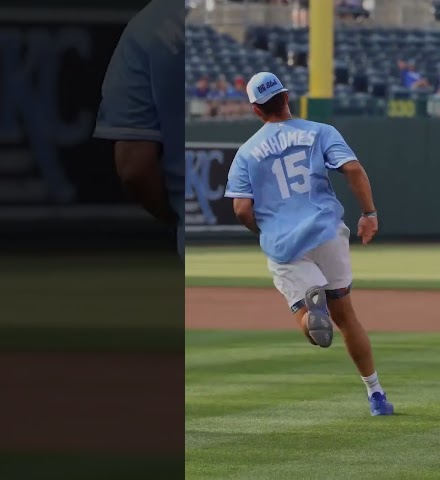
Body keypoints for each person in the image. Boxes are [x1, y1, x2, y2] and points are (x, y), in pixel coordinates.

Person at [224, 72, 394, 416]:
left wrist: (263, 230)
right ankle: (376, 395)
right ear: (286, 98)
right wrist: (369, 213)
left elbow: (241, 208)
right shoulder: (320, 132)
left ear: (256, 110)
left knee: (311, 319)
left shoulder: (246, 153)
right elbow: (354, 170)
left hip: (285, 244)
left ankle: (310, 315)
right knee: (346, 316)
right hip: (326, 230)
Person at [94, 0, 185, 259]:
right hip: (300, 223)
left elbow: (134, 168)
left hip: (208, 234)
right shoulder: (301, 11)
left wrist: (178, 215)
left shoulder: (147, 26)